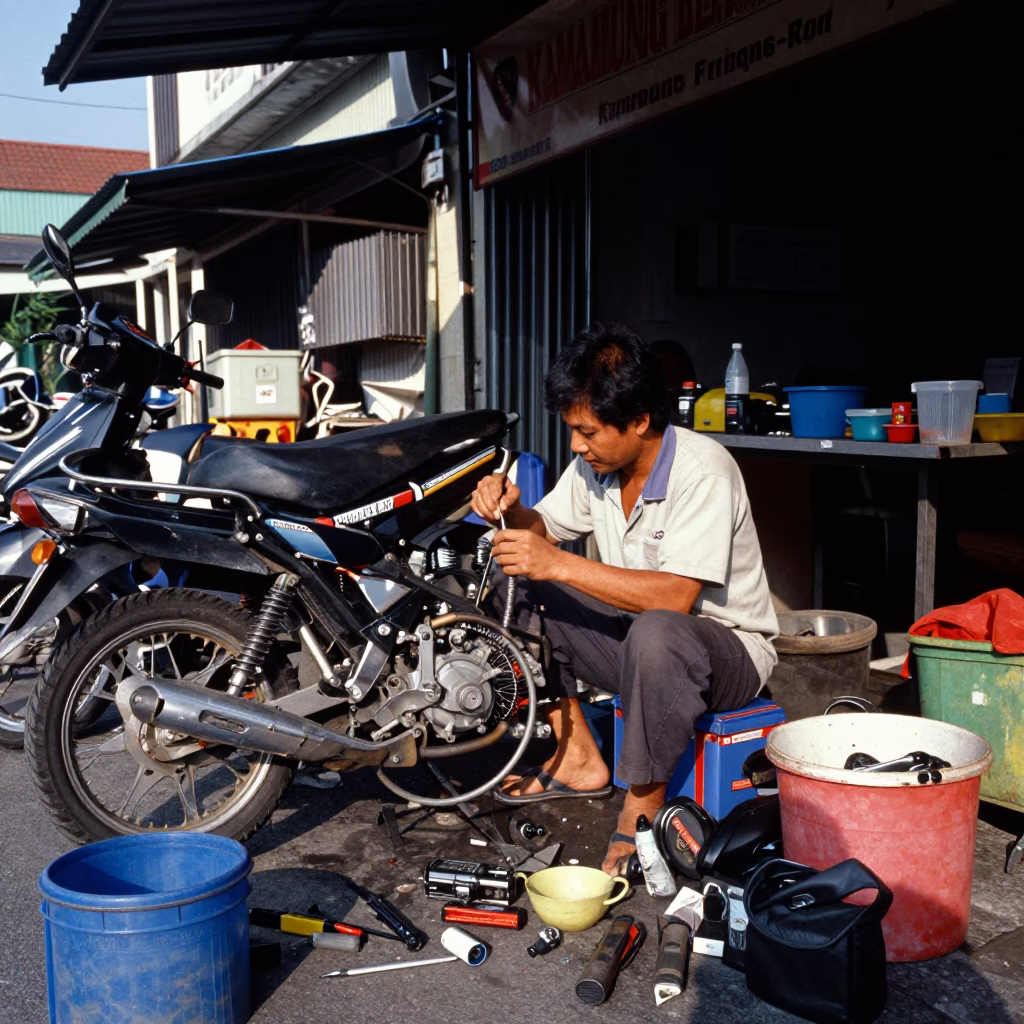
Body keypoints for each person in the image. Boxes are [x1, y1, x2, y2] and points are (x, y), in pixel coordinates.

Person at [470, 323, 778, 875]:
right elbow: (545, 531)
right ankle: (579, 755)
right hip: (639, 643)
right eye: (571, 430)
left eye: (586, 431)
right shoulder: (599, 467)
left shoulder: (702, 469)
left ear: (639, 422)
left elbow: (676, 597)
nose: (575, 445)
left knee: (658, 630)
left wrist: (558, 562)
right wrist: (511, 511)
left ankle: (641, 809)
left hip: (727, 653)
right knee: (510, 581)